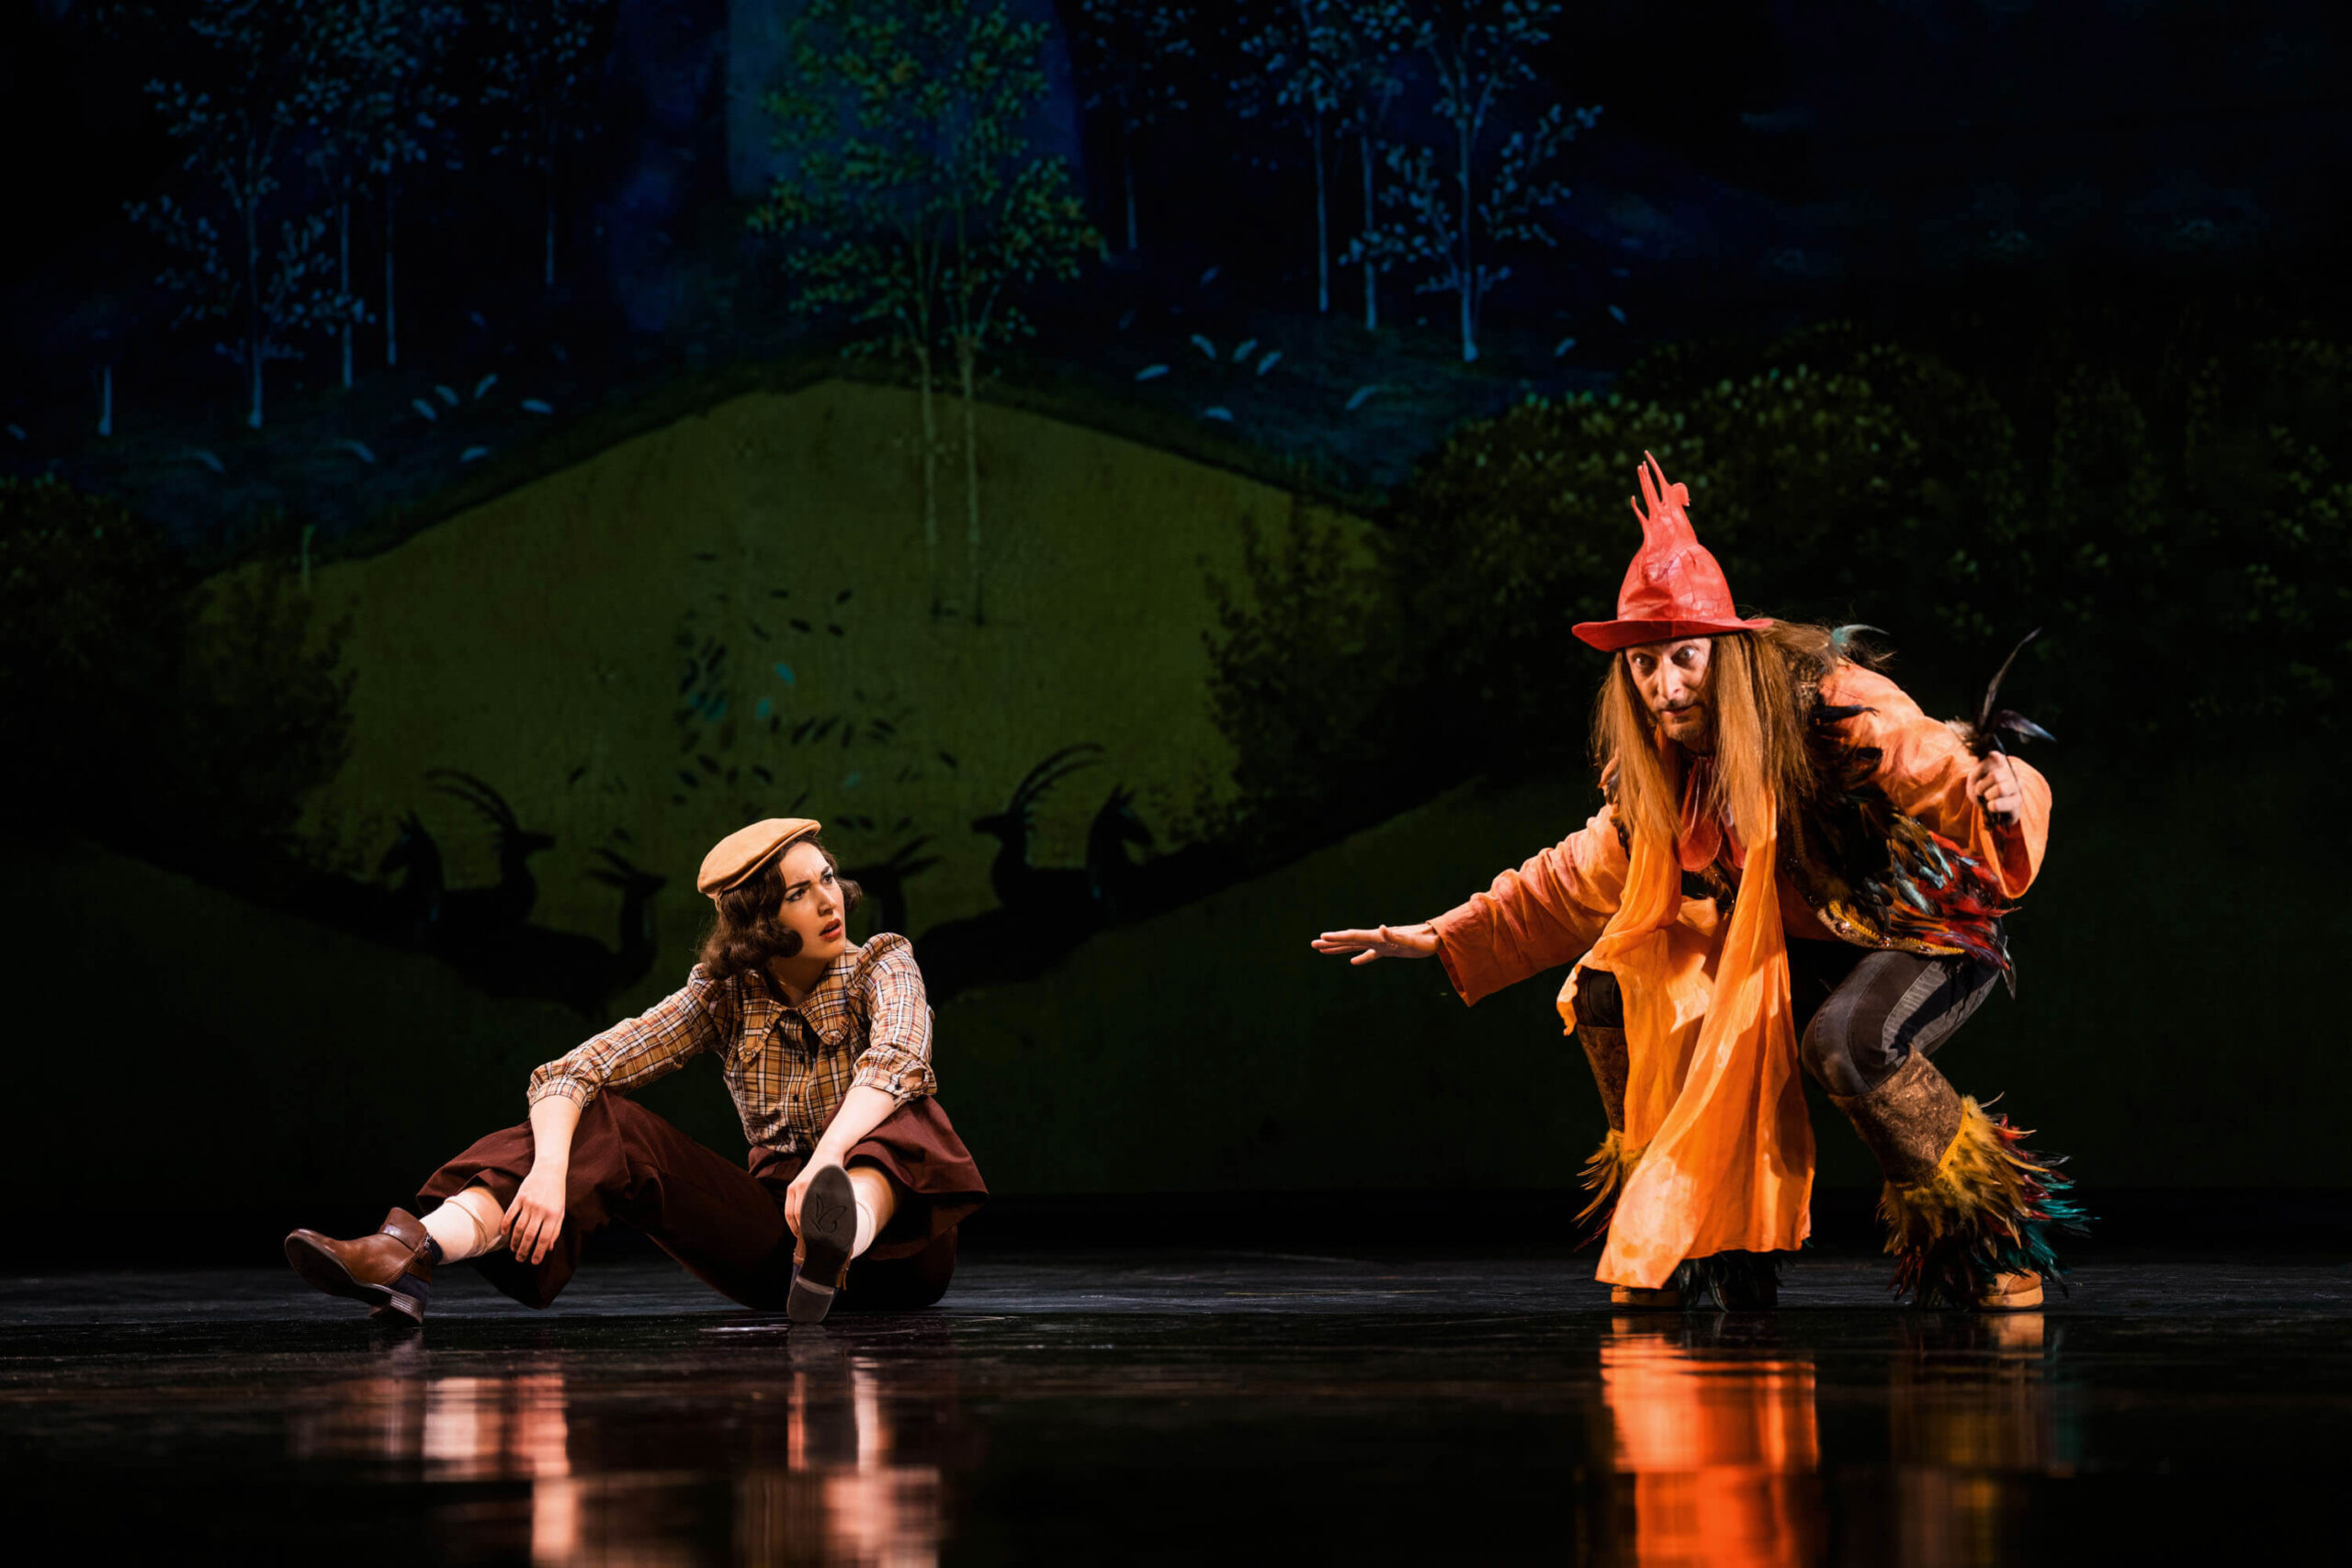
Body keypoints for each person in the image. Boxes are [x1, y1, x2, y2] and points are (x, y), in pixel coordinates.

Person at [1314, 455, 2082, 1310]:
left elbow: (1942, 760)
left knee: (1845, 1041)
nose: (1665, 686)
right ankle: (1683, 1243)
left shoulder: (1829, 709)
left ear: (1725, 650)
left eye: (1683, 657)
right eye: (1644, 665)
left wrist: (2004, 796)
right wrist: (1443, 932)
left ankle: (1988, 1240)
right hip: (1796, 947)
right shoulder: (1665, 770)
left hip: (1920, 930)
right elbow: (1576, 878)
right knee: (1613, 982)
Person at [286, 818, 987, 1325]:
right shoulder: (724, 995)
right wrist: (550, 1171)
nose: (830, 900)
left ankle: (841, 1232)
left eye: (827, 877)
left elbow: (899, 1057)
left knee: (904, 1109)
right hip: (780, 1249)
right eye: (799, 892)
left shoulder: (881, 964)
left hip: (905, 1249)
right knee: (604, 1123)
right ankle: (411, 1250)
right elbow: (575, 1068)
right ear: (759, 921)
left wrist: (827, 1159)